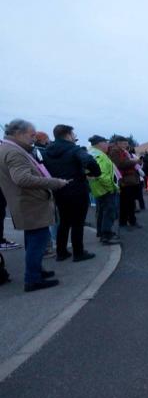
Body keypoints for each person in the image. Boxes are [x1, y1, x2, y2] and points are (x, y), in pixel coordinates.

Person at [0, 119, 69, 291]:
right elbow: (22, 178)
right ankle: (33, 279)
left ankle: (36, 271)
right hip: (31, 204)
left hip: (26, 203)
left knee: (34, 241)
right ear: (18, 134)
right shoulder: (15, 152)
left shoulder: (8, 148)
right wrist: (53, 182)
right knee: (37, 242)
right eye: (31, 135)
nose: (34, 139)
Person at [43, 124, 101, 262]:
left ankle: (61, 252)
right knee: (77, 223)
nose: (74, 137)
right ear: (68, 135)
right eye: (73, 134)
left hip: (58, 189)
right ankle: (78, 253)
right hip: (77, 189)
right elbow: (89, 161)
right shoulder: (74, 149)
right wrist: (94, 172)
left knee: (64, 222)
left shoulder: (47, 151)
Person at [87, 135, 120, 245]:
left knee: (101, 211)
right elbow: (101, 174)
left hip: (98, 188)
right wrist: (111, 188)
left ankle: (101, 233)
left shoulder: (92, 153)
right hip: (104, 189)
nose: (108, 145)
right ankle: (106, 235)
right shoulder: (99, 155)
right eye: (105, 142)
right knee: (108, 212)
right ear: (99, 144)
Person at [110, 136, 142, 228]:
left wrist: (135, 162)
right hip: (124, 181)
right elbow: (119, 164)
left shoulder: (123, 151)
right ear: (118, 143)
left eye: (127, 144)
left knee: (129, 202)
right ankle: (126, 222)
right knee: (126, 203)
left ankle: (129, 221)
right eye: (124, 143)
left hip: (129, 180)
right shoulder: (114, 152)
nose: (126, 145)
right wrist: (134, 161)